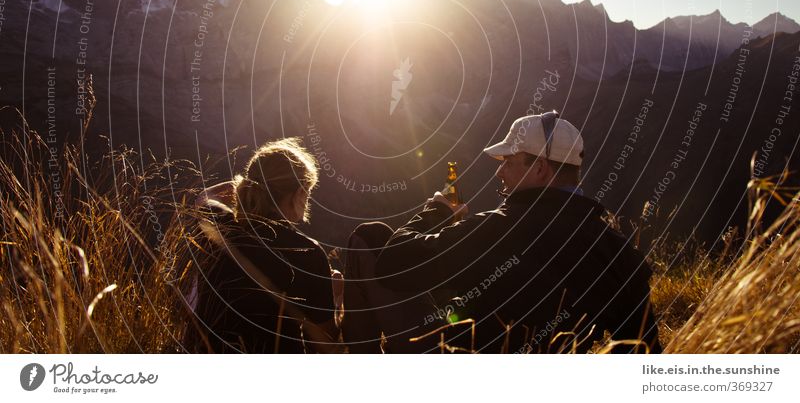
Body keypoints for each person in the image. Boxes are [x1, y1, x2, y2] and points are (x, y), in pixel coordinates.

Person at [372, 111, 662, 353]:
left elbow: (393, 262)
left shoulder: (502, 227)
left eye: (509, 162)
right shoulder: (613, 248)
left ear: (539, 168)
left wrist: (438, 213)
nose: (499, 173)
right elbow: (646, 348)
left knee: (370, 236)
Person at [181, 138, 341, 353]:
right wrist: (336, 297)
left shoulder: (221, 227)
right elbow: (326, 345)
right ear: (300, 193)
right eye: (308, 191)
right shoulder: (307, 252)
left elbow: (205, 196)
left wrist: (248, 187)